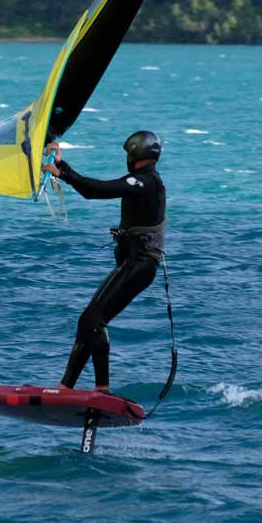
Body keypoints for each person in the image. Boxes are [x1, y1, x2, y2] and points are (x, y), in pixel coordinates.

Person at [41, 130, 166, 393]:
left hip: (140, 264)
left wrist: (64, 174)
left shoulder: (144, 182)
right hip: (135, 263)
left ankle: (102, 390)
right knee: (88, 322)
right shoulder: (146, 180)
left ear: (135, 154)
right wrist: (62, 166)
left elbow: (97, 190)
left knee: (93, 320)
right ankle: (65, 388)